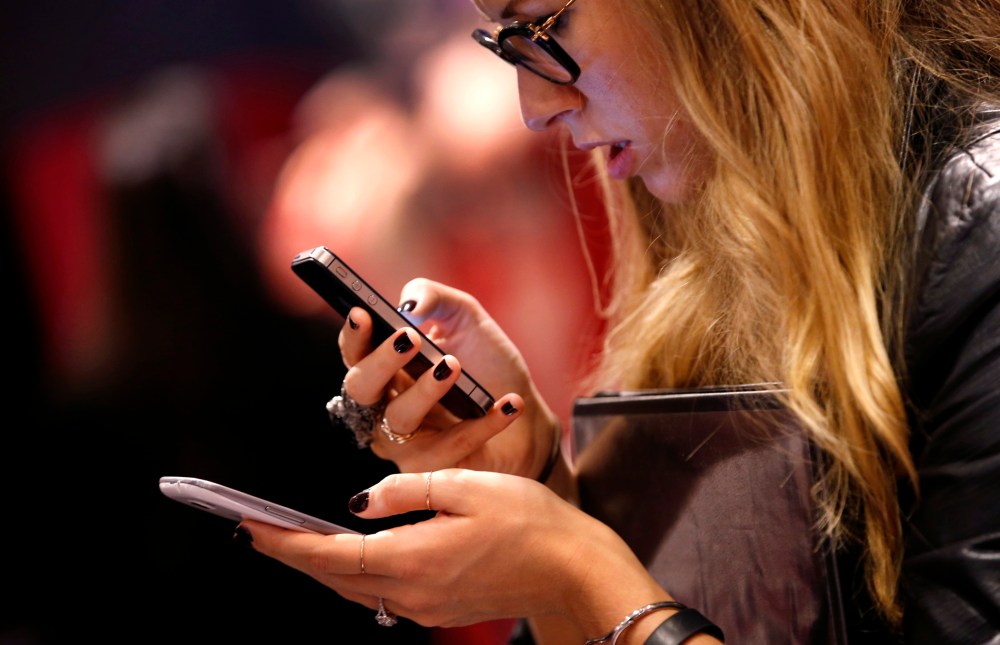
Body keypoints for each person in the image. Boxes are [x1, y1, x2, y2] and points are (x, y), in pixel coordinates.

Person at [232, 0, 1000, 643]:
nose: (534, 107)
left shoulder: (980, 224)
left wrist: (580, 572)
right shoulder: (710, 220)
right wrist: (536, 474)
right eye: (503, 45)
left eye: (544, 28)